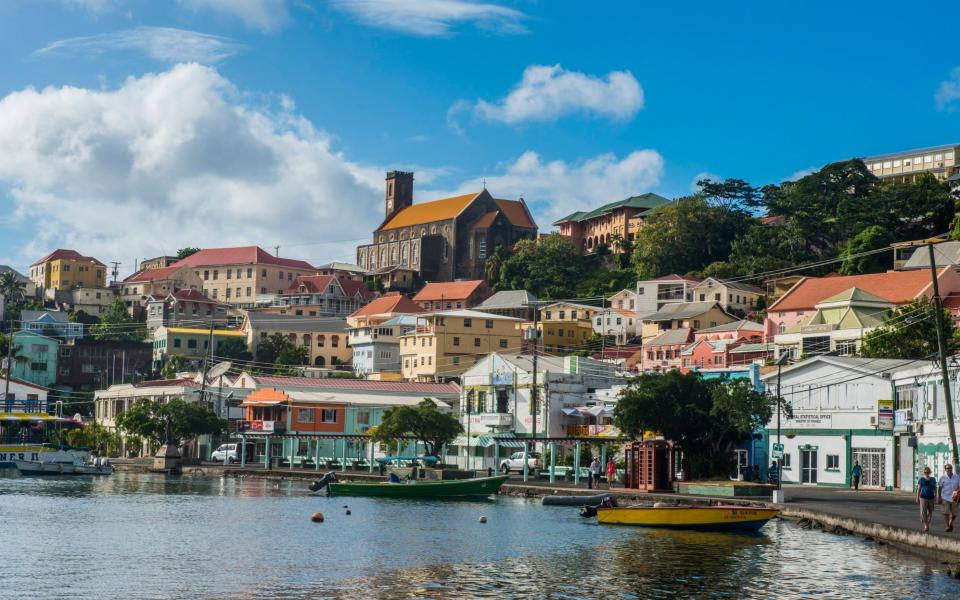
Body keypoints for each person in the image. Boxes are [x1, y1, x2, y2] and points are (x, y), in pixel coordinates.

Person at [939, 464, 960, 532]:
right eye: (947, 468)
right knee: (946, 513)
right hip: (945, 497)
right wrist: (939, 497)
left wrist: (957, 492)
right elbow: (939, 488)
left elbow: (959, 486)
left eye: (950, 468)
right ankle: (947, 526)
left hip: (955, 497)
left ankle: (951, 522)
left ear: (952, 468)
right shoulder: (942, 477)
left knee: (955, 513)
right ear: (945, 469)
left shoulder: (956, 477)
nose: (949, 469)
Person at [917, 467, 937, 533]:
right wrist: (917, 497)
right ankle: (926, 525)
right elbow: (919, 489)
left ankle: (926, 522)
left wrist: (935, 496)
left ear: (930, 473)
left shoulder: (933, 479)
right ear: (924, 473)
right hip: (923, 497)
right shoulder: (921, 479)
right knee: (923, 511)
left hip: (931, 497)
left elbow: (935, 488)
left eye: (928, 472)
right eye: (925, 472)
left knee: (930, 511)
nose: (927, 473)